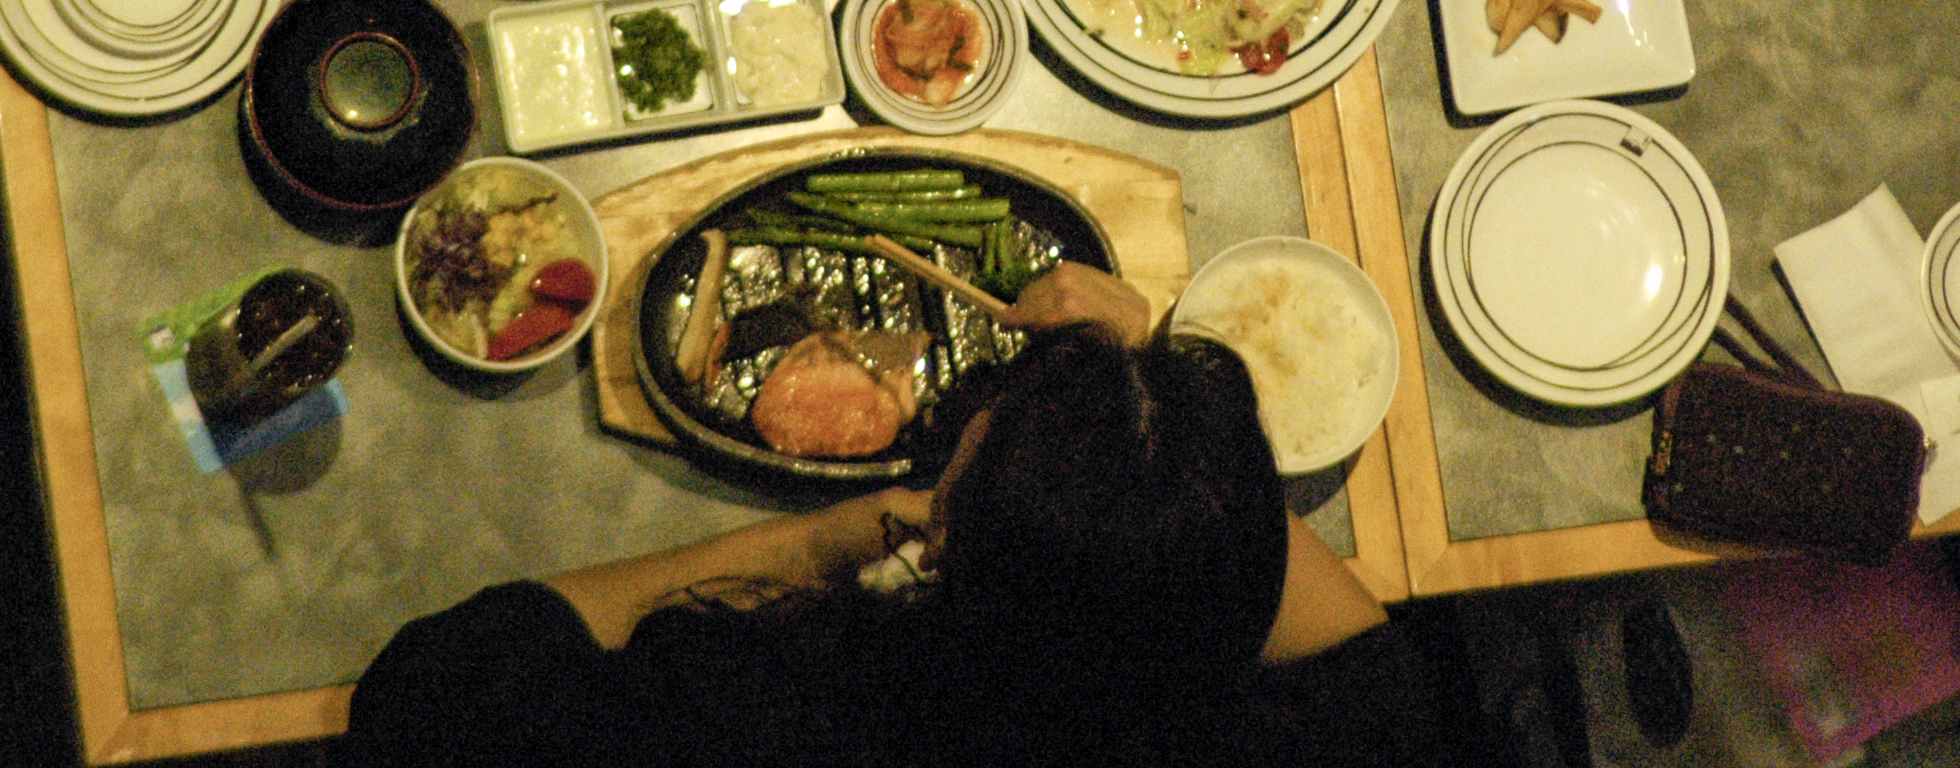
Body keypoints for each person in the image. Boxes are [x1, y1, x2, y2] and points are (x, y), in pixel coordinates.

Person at [338, 264, 1445, 766]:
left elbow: (421, 695)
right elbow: (1307, 608)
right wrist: (1132, 400)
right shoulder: (1335, 731)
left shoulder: (771, 706)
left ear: (941, 547)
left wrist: (815, 540)